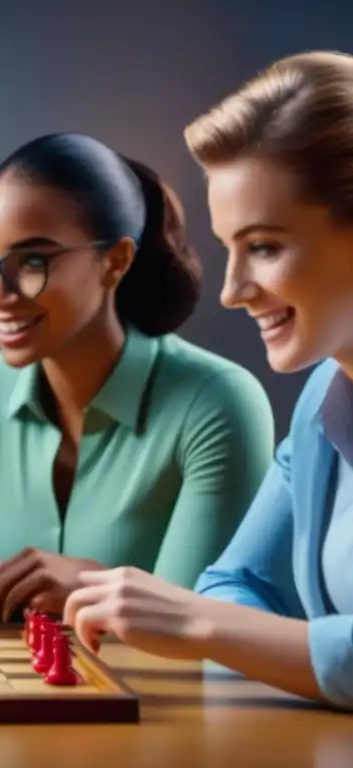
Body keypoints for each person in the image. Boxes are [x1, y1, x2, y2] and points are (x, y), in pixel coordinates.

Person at [64, 51, 353, 712]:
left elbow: (213, 613)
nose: (230, 291)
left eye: (265, 247)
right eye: (228, 247)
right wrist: (228, 624)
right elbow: (234, 581)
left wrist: (202, 626)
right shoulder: (322, 402)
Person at [0, 132, 276, 622]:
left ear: (116, 261)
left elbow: (205, 628)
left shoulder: (217, 404)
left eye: (33, 261)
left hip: (162, 701)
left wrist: (88, 586)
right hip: (9, 694)